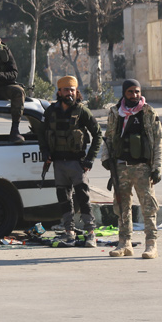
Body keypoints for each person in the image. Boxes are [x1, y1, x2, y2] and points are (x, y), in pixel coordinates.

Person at [32, 75, 101, 247]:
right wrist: (45, 151)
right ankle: (69, 231)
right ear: (59, 91)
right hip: (59, 163)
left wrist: (90, 159)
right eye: (66, 90)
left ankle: (90, 232)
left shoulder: (82, 111)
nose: (69, 93)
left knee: (83, 198)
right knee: (64, 199)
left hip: (77, 163)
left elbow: (98, 134)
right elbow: (41, 132)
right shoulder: (51, 111)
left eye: (72, 90)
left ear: (76, 91)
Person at [102, 79, 162, 259]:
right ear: (124, 93)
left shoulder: (148, 112)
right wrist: (106, 158)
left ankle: (151, 244)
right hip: (121, 166)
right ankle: (125, 243)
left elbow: (159, 141)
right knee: (122, 206)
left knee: (148, 207)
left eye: (137, 92)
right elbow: (108, 137)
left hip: (142, 168)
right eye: (130, 92)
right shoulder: (116, 113)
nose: (134, 95)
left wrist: (157, 167)